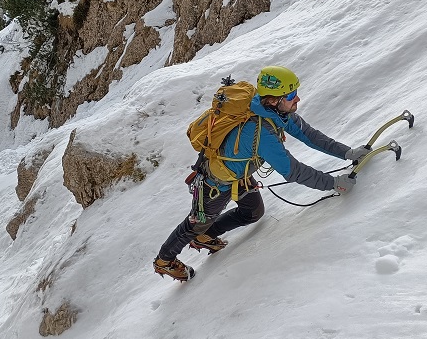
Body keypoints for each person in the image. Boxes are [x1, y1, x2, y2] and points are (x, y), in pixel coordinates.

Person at [153, 66, 369, 281]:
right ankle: (164, 261)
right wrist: (333, 183)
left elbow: (309, 135)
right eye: (291, 95)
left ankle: (205, 236)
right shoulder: (258, 132)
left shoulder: (277, 113)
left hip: (239, 176)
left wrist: (347, 152)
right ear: (274, 99)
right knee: (195, 224)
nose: (298, 99)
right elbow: (293, 170)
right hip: (214, 185)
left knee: (253, 212)